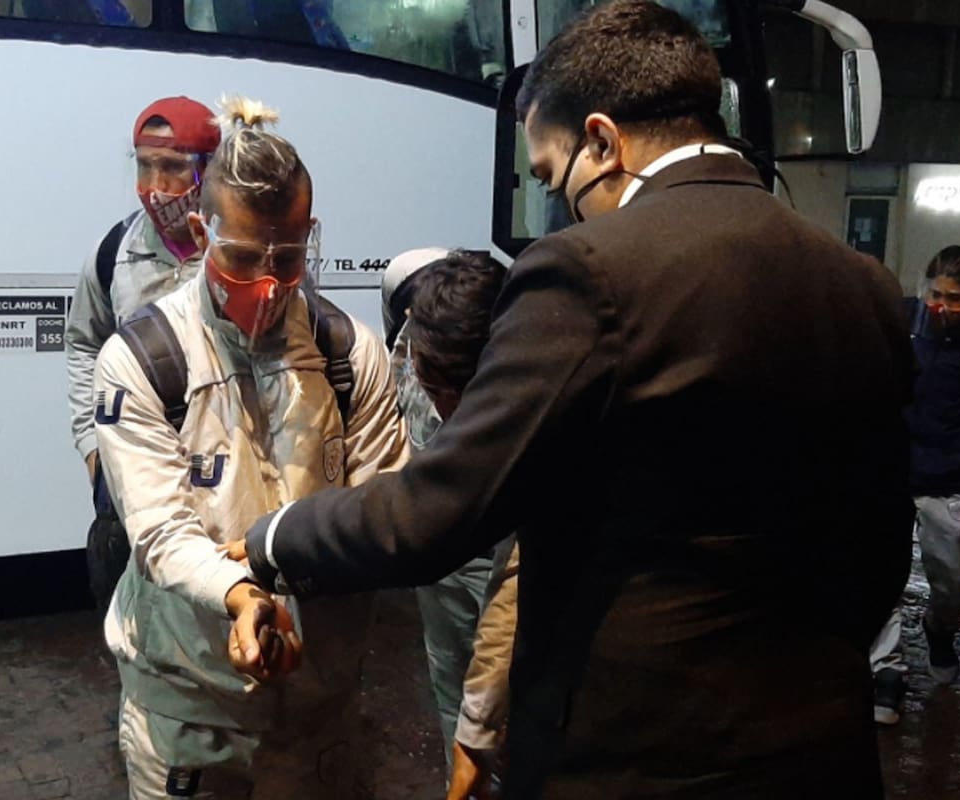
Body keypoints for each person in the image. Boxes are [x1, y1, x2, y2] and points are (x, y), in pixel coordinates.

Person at [231, 3, 917, 797]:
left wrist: (274, 537)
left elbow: (441, 510)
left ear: (601, 139)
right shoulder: (860, 282)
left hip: (638, 751)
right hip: (820, 746)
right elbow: (880, 543)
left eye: (553, 176)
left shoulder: (590, 270)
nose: (560, 203)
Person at [92, 96, 407, 798]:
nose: (266, 285)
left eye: (288, 258)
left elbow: (382, 510)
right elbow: (160, 530)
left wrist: (295, 581)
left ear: (310, 236)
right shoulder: (141, 359)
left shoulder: (351, 354)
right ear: (203, 232)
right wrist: (240, 594)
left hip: (321, 710)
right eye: (241, 258)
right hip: (191, 713)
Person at [67, 96, 220, 608]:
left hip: (217, 473)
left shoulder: (237, 248)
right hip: (128, 470)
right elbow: (84, 341)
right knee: (131, 610)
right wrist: (92, 445)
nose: (156, 186)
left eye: (174, 167)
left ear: (208, 168)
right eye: (144, 165)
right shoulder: (114, 251)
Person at [381, 248, 513, 789]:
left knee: (506, 705)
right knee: (451, 696)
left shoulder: (527, 379)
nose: (448, 403)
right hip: (441, 564)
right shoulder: (410, 351)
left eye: (460, 389)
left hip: (510, 558)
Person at [870, 246, 960, 725]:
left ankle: (940, 629)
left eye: (956, 299)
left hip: (949, 474)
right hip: (890, 467)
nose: (942, 306)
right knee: (880, 572)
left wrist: (956, 435)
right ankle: (886, 673)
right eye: (936, 294)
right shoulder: (901, 317)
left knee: (956, 579)